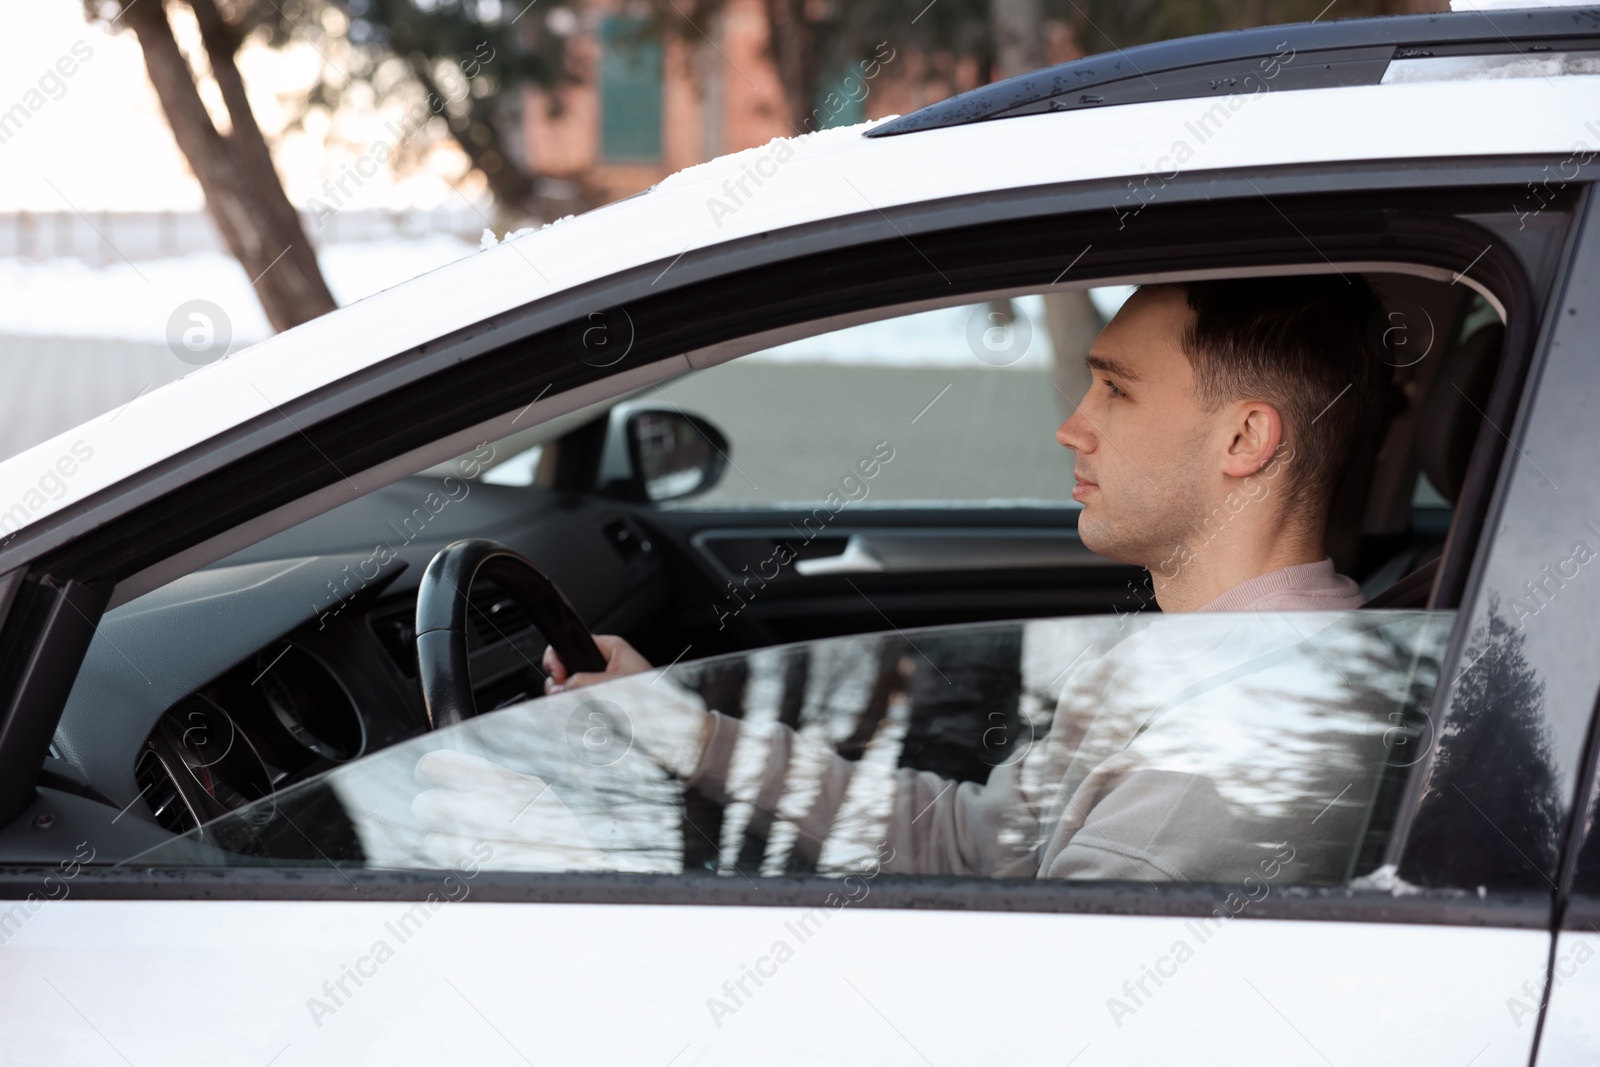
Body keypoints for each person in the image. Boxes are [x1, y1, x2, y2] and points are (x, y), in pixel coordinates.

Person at [413, 276, 1401, 882]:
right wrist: (687, 731)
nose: (1073, 423)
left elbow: (998, 1004)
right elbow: (973, 845)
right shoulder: (1215, 654)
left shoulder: (1243, 732)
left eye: (1116, 387)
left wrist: (568, 857)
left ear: (1243, 437)